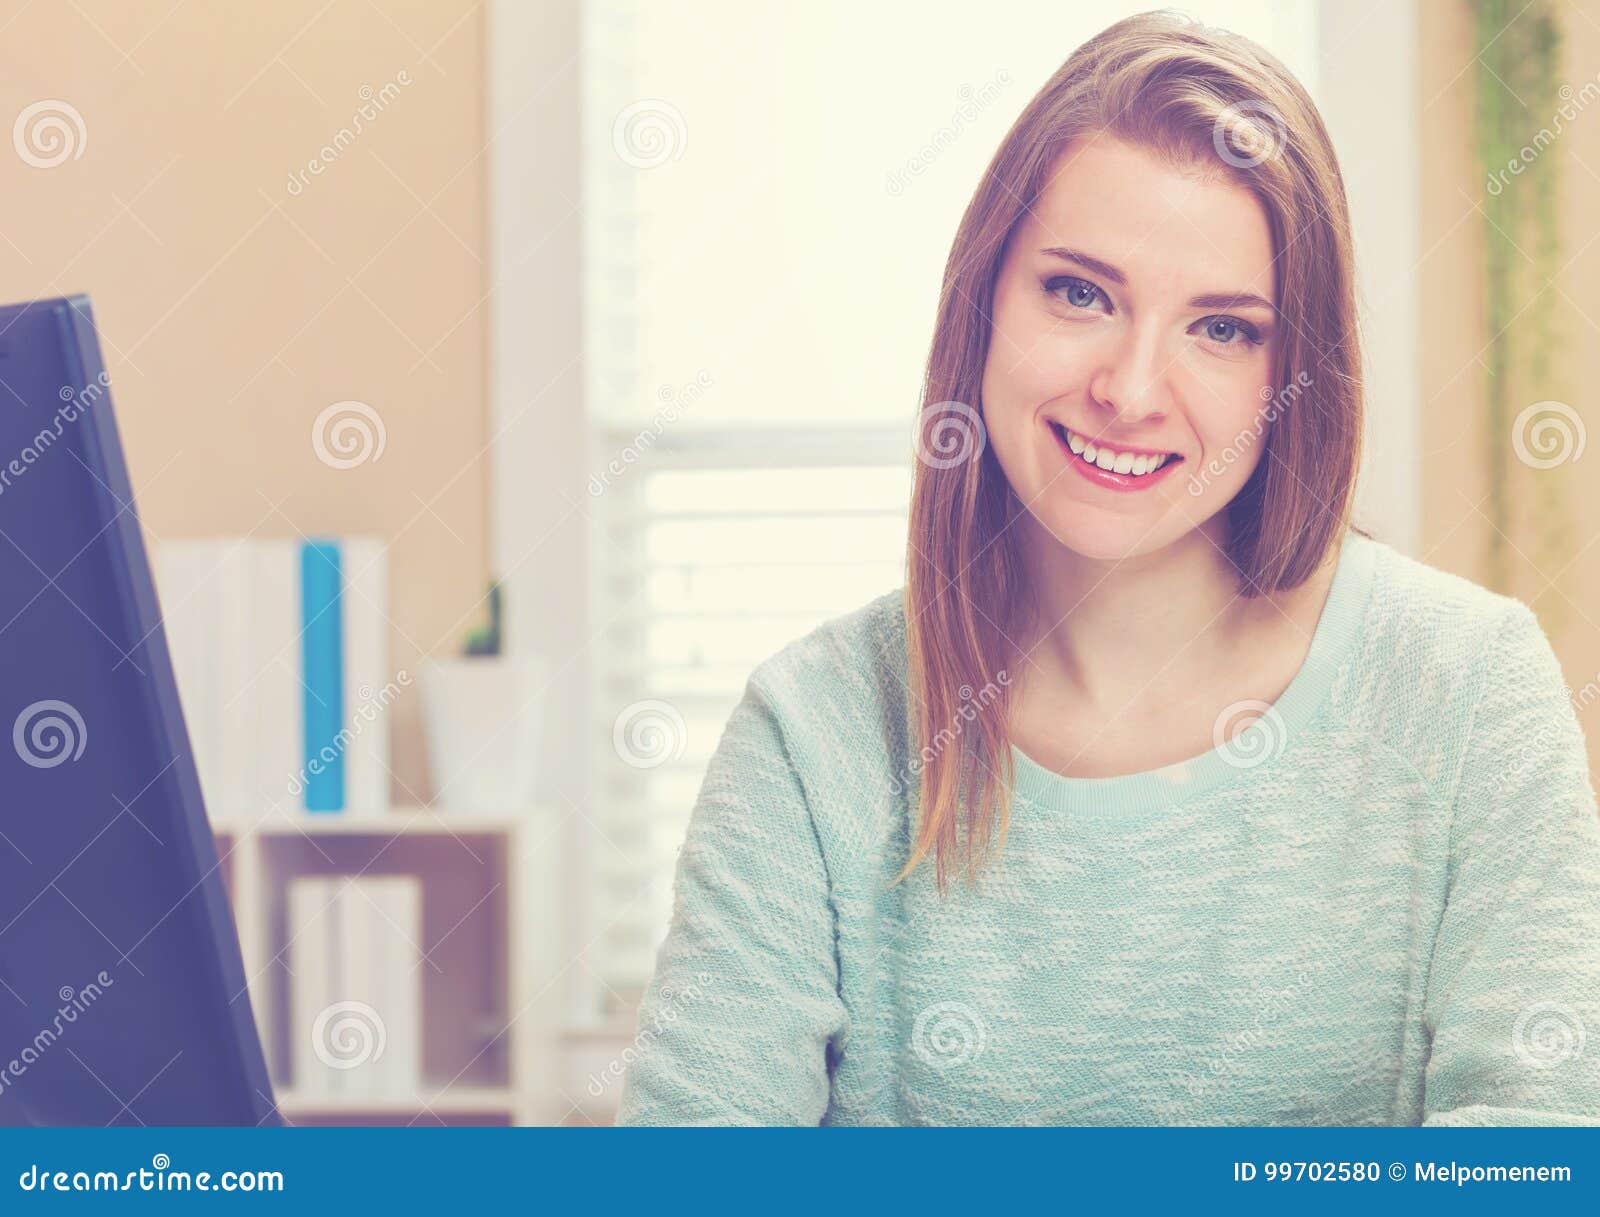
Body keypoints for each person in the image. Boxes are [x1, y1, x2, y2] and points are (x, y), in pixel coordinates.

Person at [613, 9, 1600, 1126]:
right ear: (984, 299)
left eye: (1221, 328)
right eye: (1080, 292)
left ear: (1298, 375)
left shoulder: (1467, 689)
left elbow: (1533, 1154)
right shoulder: (815, 730)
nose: (1129, 390)